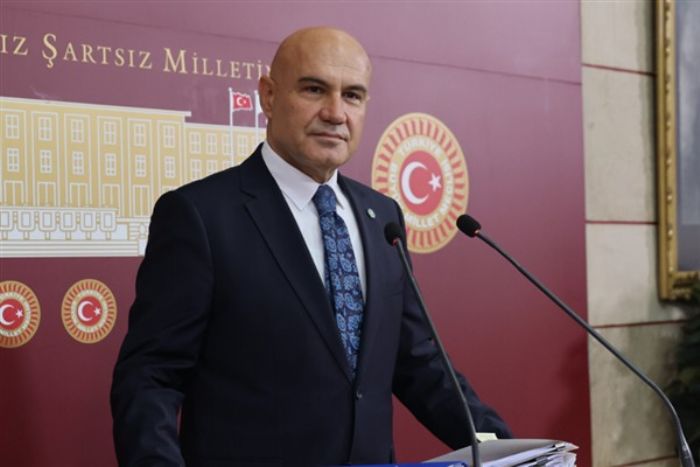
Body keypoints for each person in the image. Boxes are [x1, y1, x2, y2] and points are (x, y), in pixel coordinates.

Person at [110, 26, 511, 467]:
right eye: (314, 89)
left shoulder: (382, 216)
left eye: (352, 95)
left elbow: (419, 363)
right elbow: (150, 377)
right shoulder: (201, 216)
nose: (336, 113)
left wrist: (510, 451)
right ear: (268, 96)